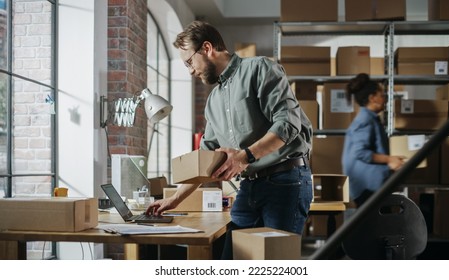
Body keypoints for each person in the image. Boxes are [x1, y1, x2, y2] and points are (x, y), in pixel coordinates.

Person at [145, 20, 313, 259]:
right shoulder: (213, 101)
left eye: (189, 62)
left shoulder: (260, 68)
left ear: (206, 48)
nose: (190, 71)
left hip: (286, 181)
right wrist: (174, 199)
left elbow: (288, 125)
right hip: (250, 186)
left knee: (275, 263)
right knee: (231, 261)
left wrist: (244, 157)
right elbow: (204, 158)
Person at [341, 73, 405, 208]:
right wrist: (389, 160)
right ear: (372, 98)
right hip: (367, 189)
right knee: (377, 227)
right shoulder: (365, 120)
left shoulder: (370, 118)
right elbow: (360, 152)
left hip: (371, 187)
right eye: (381, 95)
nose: (385, 99)